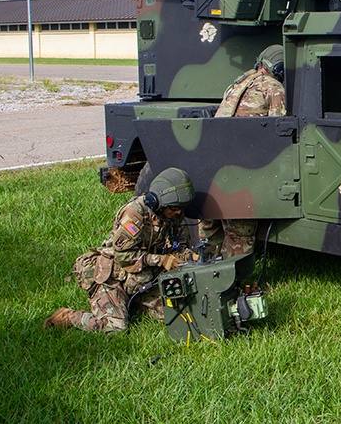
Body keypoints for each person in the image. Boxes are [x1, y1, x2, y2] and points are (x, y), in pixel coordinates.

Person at [43, 168, 196, 333]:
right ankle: (69, 317)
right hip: (111, 276)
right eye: (174, 207)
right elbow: (124, 255)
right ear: (157, 202)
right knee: (116, 327)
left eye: (181, 207)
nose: (178, 212)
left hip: (141, 278)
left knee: (176, 312)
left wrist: (191, 256)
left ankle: (131, 303)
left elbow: (177, 245)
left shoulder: (172, 215)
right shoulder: (134, 215)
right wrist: (162, 260)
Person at [201, 44, 287, 259]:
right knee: (240, 230)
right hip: (242, 165)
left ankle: (205, 268)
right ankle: (234, 278)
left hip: (214, 163)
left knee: (210, 224)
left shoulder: (238, 84)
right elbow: (279, 130)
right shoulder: (273, 88)